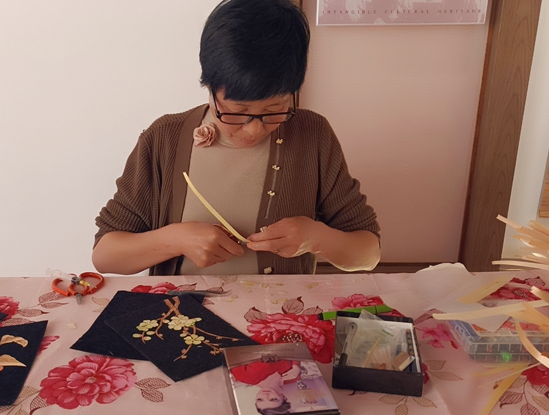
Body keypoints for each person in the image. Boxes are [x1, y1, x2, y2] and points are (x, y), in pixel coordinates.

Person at [92, 0, 380, 276]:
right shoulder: (164, 137)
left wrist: (317, 238)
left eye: (274, 109)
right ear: (209, 88)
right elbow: (105, 255)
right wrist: (175, 240)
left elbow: (368, 253)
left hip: (281, 309)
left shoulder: (312, 134)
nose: (253, 130)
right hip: (178, 308)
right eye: (237, 112)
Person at [230, 359, 301, 415]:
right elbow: (296, 350)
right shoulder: (293, 377)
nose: (265, 395)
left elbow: (233, 353)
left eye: (260, 399)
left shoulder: (243, 376)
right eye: (273, 399)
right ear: (284, 398)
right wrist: (296, 366)